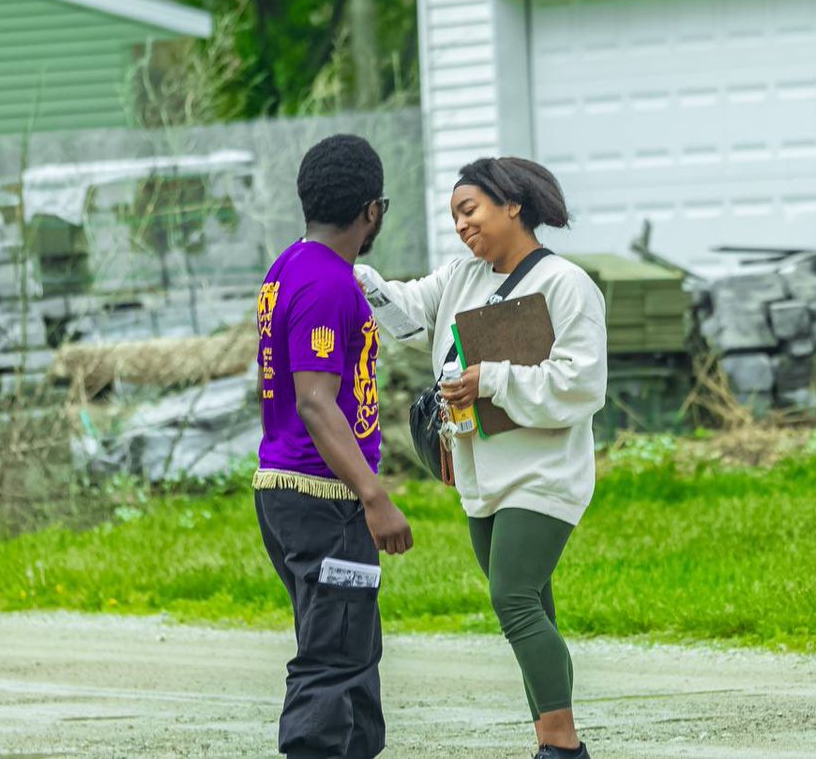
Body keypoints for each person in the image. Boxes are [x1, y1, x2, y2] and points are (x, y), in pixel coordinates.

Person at [363, 156, 607, 759]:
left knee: (512, 599)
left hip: (543, 473)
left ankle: (561, 746)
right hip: (478, 470)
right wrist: (351, 272)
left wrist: (491, 380)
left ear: (512, 205)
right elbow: (402, 312)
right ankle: (553, 739)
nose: (462, 226)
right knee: (534, 606)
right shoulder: (461, 277)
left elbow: (582, 385)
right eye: (455, 217)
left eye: (469, 210)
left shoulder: (565, 284)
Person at [252, 134, 413, 759]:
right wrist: (374, 496)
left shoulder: (288, 266)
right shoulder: (326, 284)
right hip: (324, 497)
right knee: (331, 659)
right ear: (372, 210)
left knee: (354, 650)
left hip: (293, 494)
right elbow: (316, 403)